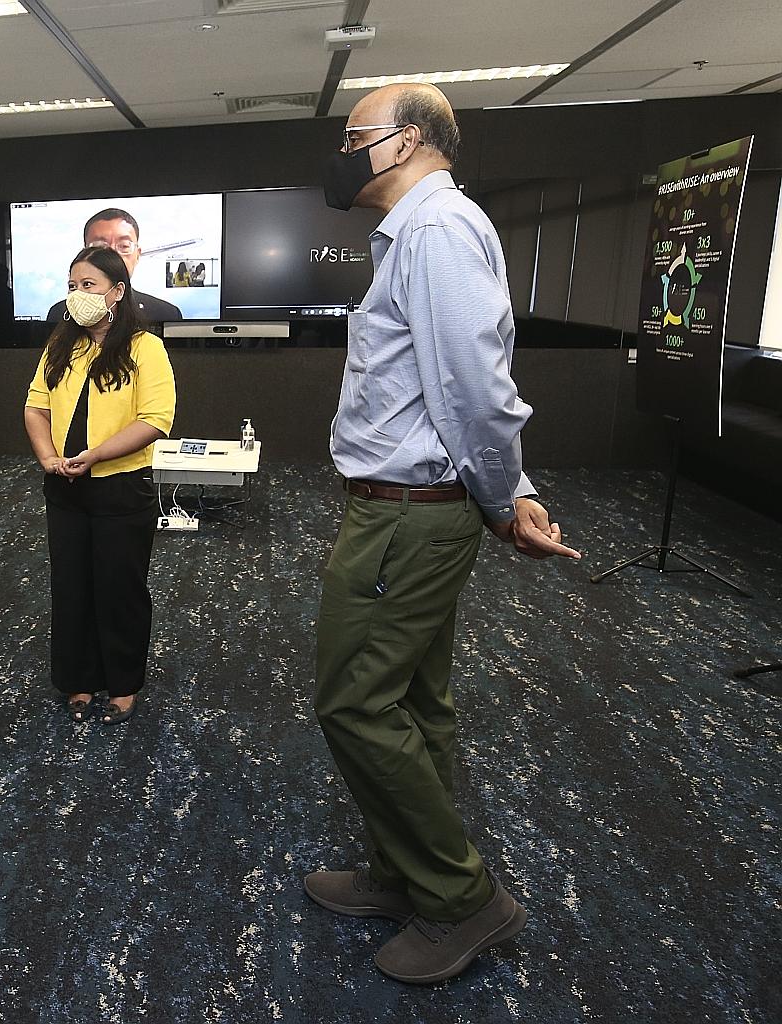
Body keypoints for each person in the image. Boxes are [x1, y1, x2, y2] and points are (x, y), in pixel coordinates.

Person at [303, 83, 582, 986]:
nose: (342, 154)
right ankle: (402, 873)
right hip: (414, 507)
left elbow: (474, 389)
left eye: (355, 136)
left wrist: (503, 500)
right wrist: (509, 489)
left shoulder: (435, 230)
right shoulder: (424, 231)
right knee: (415, 700)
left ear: (408, 141)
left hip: (407, 517)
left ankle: (462, 899)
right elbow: (463, 381)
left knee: (355, 702)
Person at [23, 245, 175, 725]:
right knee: (71, 586)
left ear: (118, 292)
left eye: (89, 285)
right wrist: (48, 457)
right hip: (64, 488)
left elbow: (155, 420)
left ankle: (123, 684)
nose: (78, 294)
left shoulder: (145, 347)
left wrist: (95, 456)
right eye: (72, 286)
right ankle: (79, 678)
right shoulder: (60, 344)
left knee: (119, 588)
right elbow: (36, 406)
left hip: (120, 487)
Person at [43, 208, 183, 328]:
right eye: (99, 247)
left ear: (137, 255)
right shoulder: (59, 314)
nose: (112, 255)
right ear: (85, 254)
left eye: (124, 246)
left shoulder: (165, 313)